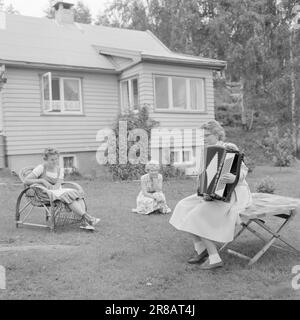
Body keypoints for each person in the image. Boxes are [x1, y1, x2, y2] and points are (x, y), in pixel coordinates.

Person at [169, 120, 252, 269]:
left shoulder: (229, 148)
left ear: (217, 134)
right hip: (211, 194)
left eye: (207, 135)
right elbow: (204, 175)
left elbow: (243, 170)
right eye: (203, 135)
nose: (204, 138)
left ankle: (214, 258)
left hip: (231, 194)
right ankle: (202, 250)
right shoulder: (207, 151)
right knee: (183, 206)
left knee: (195, 216)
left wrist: (235, 177)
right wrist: (203, 188)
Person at [24, 147, 100, 231]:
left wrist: (56, 187)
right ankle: (88, 218)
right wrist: (42, 180)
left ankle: (85, 222)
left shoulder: (60, 169)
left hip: (57, 193)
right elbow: (26, 180)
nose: (54, 162)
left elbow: (57, 186)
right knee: (68, 196)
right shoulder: (41, 168)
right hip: (44, 194)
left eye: (56, 159)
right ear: (46, 159)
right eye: (52, 160)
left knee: (75, 194)